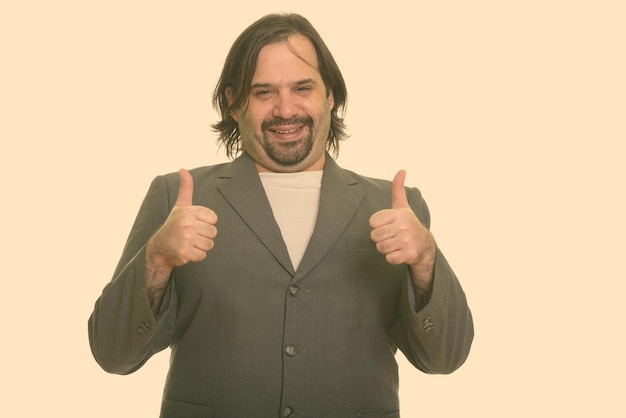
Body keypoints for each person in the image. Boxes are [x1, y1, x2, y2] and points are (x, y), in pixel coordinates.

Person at [88, 13, 473, 418]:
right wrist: (156, 259)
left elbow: (445, 359)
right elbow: (113, 355)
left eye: (302, 87)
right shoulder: (177, 197)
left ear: (330, 97)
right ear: (235, 104)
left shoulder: (396, 206)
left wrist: (426, 260)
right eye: (264, 92)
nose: (285, 109)